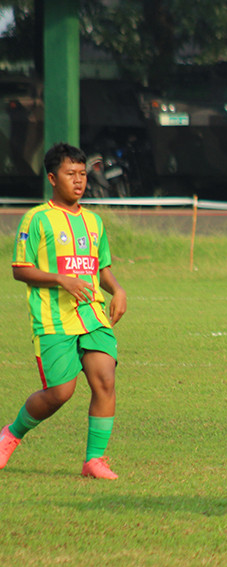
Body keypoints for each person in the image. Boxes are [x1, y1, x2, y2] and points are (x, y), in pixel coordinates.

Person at [0, 142, 128, 479]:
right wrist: (61, 279)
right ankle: (11, 434)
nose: (79, 180)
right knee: (60, 392)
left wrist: (117, 290)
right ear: (53, 178)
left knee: (105, 380)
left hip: (92, 315)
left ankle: (94, 461)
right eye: (71, 174)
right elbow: (19, 268)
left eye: (83, 174)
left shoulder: (94, 222)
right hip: (53, 317)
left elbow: (101, 268)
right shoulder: (36, 219)